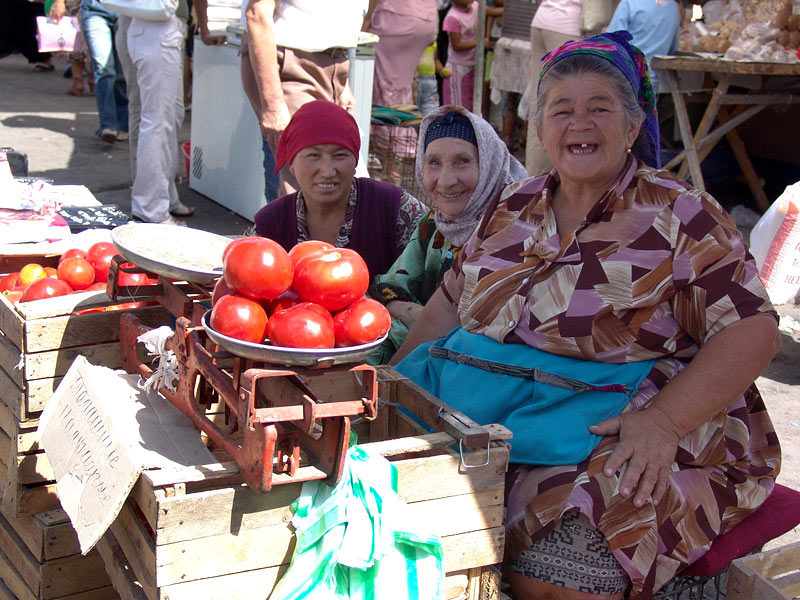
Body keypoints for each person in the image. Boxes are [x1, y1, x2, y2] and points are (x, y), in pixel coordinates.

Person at [391, 32, 781, 600]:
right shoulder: (514, 205)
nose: (579, 123)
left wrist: (665, 422)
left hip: (630, 424)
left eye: (600, 108)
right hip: (502, 411)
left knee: (553, 576)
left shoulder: (679, 213)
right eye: (561, 109)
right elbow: (451, 301)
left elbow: (754, 330)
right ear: (541, 129)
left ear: (631, 128)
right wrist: (395, 386)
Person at [369, 106, 527, 364]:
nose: (445, 180)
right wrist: (420, 316)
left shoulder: (517, 227)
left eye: (462, 161)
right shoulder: (435, 223)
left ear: (490, 164)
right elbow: (389, 290)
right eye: (434, 163)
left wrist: (420, 319)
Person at [253, 100, 427, 279]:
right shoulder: (270, 226)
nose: (328, 171)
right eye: (314, 156)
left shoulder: (394, 208)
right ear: (292, 164)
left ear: (356, 162)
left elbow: (441, 256)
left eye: (340, 155)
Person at [240, 0, 367, 198]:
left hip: (327, 60)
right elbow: (257, 12)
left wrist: (342, 83)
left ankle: (280, 226)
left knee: (317, 180)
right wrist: (273, 105)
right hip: (290, 60)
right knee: (306, 186)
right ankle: (283, 227)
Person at [127, 0, 193, 223]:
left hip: (160, 31)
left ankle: (162, 199)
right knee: (157, 122)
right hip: (158, 32)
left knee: (169, 119)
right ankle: (151, 208)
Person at [525, 0, 584, 175]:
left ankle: (534, 178)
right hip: (568, 27)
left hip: (543, 20)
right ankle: (558, 178)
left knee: (539, 103)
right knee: (569, 106)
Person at [80, 0, 129, 143]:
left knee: (121, 72)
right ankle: (109, 125)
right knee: (103, 68)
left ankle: (122, 124)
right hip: (95, 10)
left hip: (126, 10)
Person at [606, 1, 681, 92]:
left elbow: (610, 42)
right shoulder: (673, 7)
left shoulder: (630, 3)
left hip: (626, 79)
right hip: (652, 83)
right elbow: (673, 49)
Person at [442, 0, 478, 110]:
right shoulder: (453, 17)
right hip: (457, 68)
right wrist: (480, 42)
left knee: (471, 106)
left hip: (472, 65)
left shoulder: (475, 7)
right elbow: (456, 45)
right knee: (458, 108)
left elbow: (489, 11)